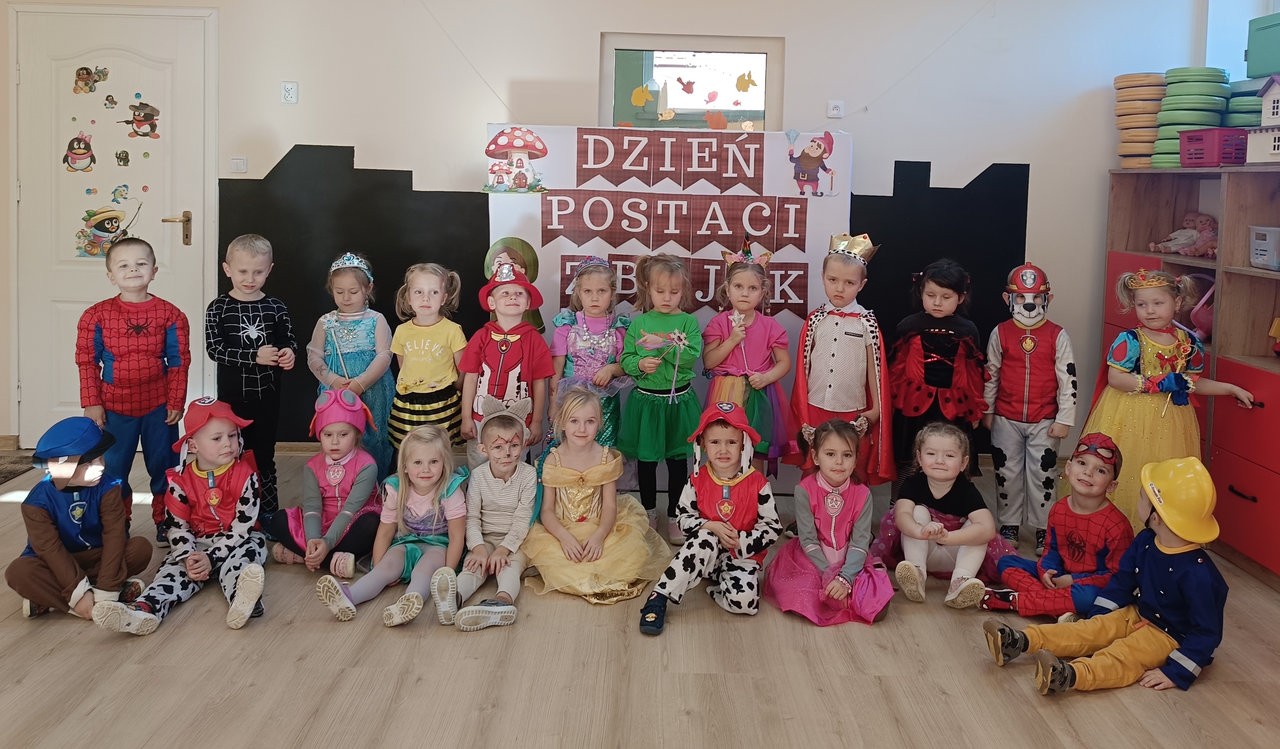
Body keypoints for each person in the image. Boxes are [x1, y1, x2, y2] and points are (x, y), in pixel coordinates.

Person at [982, 457, 1228, 695]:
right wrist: (1099, 617)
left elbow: (1207, 633)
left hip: (1168, 636)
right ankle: (1021, 640)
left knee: (1125, 654)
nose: (1138, 500)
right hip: (1138, 612)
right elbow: (1122, 581)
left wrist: (1176, 672)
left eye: (1142, 497)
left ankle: (1071, 675)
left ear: (1156, 516)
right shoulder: (1146, 540)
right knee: (1086, 630)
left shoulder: (1200, 575)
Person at [1079, 268, 1252, 527]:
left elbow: (1191, 382)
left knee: (1163, 475)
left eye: (1158, 303)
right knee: (1128, 470)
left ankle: (1157, 532)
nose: (1149, 310)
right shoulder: (1131, 340)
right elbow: (1116, 379)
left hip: (1171, 422)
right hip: (1128, 416)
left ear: (1177, 302)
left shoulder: (1188, 343)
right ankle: (1116, 531)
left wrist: (1229, 389)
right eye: (1142, 304)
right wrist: (1155, 383)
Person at [93, 397, 267, 635]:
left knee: (244, 560)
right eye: (217, 438)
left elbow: (242, 528)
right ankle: (144, 610)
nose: (228, 443)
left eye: (233, 435)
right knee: (171, 572)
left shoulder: (246, 475)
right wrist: (188, 557)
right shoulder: (180, 481)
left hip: (238, 540)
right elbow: (177, 526)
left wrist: (212, 557)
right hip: (198, 542)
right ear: (193, 446)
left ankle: (244, 600)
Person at [75, 237, 190, 541]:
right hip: (114, 408)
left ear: (154, 270)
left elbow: (179, 361)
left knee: (165, 465)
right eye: (123, 265)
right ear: (111, 275)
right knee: (113, 469)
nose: (133, 270)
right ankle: (117, 522)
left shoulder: (171, 314)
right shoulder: (95, 315)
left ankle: (167, 521)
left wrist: (176, 400)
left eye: (141, 264)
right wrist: (92, 402)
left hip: (159, 407)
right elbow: (87, 361)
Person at [637, 401, 782, 636]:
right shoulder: (697, 479)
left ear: (743, 443)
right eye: (715, 442)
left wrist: (741, 540)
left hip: (741, 555)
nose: (723, 450)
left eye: (731, 442)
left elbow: (773, 527)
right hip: (705, 551)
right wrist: (709, 525)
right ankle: (659, 596)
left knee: (746, 605)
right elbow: (683, 517)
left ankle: (718, 587)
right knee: (704, 538)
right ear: (703, 443)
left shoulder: (757, 483)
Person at [522, 386, 670, 604]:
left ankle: (598, 571)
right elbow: (547, 511)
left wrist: (599, 536)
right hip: (562, 527)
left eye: (590, 421)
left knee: (632, 558)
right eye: (574, 421)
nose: (582, 429)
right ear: (562, 422)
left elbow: (610, 506)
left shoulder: (605, 457)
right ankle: (583, 573)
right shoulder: (553, 460)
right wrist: (565, 538)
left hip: (601, 524)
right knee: (559, 564)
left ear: (599, 423)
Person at [314, 424, 468, 627]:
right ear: (405, 466)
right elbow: (386, 531)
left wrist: (446, 575)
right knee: (386, 567)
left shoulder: (450, 490)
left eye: (433, 462)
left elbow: (457, 536)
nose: (425, 469)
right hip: (405, 542)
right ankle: (349, 596)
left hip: (439, 545)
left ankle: (409, 601)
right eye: (418, 462)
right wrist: (378, 565)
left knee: (424, 569)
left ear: (444, 463)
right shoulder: (397, 488)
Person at [6, 417, 150, 619]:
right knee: (18, 572)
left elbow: (114, 535)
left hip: (97, 555)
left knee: (140, 549)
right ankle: (90, 604)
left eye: (100, 458)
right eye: (89, 463)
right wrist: (78, 594)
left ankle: (52, 597)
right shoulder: (36, 503)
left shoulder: (109, 487)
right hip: (56, 561)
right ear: (64, 468)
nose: (100, 466)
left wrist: (106, 589)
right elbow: (50, 549)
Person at [981, 433, 1134, 620]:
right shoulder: (1059, 508)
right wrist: (1046, 571)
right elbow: (1051, 550)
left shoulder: (1117, 525)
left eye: (1101, 470)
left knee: (1088, 598)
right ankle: (1059, 608)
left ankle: (1015, 601)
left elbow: (1117, 576)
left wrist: (1073, 580)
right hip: (1061, 576)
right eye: (1082, 463)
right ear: (1068, 468)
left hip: (1090, 586)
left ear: (1111, 486)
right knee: (1007, 562)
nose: (1088, 472)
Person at [982, 263, 1077, 554]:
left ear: (1048, 299)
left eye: (1036, 297)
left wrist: (1064, 418)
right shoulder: (1000, 333)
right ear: (1007, 299)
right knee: (1006, 472)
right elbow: (991, 374)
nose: (1029, 304)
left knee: (1043, 474)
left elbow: (1068, 378)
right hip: (1006, 418)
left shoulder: (1058, 335)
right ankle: (1009, 524)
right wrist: (988, 410)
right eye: (1021, 297)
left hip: (1044, 419)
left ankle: (1043, 527)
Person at [204, 233, 297, 525]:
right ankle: (232, 511)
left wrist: (288, 353)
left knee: (265, 454)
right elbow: (215, 349)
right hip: (231, 398)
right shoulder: (218, 308)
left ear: (269, 270)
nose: (250, 278)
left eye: (258, 272)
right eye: (242, 271)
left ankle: (267, 513)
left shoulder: (276, 307)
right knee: (231, 452)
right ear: (227, 269)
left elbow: (288, 340)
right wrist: (254, 356)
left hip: (267, 395)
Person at [869, 422, 1011, 609]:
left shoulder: (967, 491)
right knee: (916, 512)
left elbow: (988, 529)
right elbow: (901, 515)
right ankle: (917, 573)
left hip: (955, 554)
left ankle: (960, 581)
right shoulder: (913, 484)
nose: (939, 461)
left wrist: (948, 537)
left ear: (963, 463)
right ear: (919, 458)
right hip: (925, 550)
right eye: (931, 454)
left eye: (949, 456)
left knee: (977, 529)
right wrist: (920, 531)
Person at [764, 419, 892, 625]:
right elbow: (808, 540)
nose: (839, 462)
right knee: (799, 598)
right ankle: (838, 598)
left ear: (856, 458)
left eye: (847, 455)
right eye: (830, 454)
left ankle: (846, 594)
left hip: (850, 559)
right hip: (812, 560)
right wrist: (828, 574)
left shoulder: (862, 494)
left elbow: (860, 542)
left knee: (878, 608)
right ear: (816, 456)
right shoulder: (804, 490)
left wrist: (845, 577)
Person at [790, 233, 893, 484]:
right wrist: (802, 409)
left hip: (852, 409)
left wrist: (876, 409)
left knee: (850, 465)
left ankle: (853, 508)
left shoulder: (867, 323)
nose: (839, 288)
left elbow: (875, 370)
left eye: (849, 282)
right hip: (815, 405)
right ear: (823, 278)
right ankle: (812, 507)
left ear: (862, 285)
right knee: (814, 461)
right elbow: (804, 368)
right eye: (832, 280)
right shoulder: (815, 319)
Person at [617, 253, 704, 543]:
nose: (667, 297)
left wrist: (664, 342)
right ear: (648, 288)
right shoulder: (639, 322)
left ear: (683, 291)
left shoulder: (688, 322)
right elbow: (626, 358)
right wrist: (640, 364)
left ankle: (676, 514)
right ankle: (649, 512)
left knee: (678, 461)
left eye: (674, 292)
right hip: (647, 403)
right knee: (647, 462)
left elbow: (691, 356)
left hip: (678, 402)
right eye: (660, 291)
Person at [432, 397, 538, 632]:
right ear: (483, 449)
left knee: (509, 567)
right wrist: (479, 548)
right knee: (473, 566)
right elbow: (472, 517)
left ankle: (501, 602)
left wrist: (504, 549)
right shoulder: (479, 476)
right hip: (486, 537)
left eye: (514, 446)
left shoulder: (528, 475)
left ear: (523, 445)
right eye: (498, 447)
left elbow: (523, 519)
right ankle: (454, 598)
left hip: (517, 541)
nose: (507, 453)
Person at [888, 258, 986, 495]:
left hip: (953, 407)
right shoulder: (908, 326)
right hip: (912, 405)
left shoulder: (968, 330)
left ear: (960, 297)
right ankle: (899, 504)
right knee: (908, 458)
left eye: (946, 297)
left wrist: (976, 410)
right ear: (921, 292)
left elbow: (974, 374)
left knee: (950, 456)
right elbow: (896, 369)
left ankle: (947, 506)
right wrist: (891, 403)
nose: (937, 302)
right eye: (930, 295)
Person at [268, 389, 382, 579]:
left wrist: (327, 542)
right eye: (328, 435)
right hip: (321, 524)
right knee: (278, 520)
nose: (335, 442)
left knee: (371, 525)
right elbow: (312, 507)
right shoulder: (312, 466)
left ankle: (304, 555)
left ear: (356, 434)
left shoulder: (367, 465)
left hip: (351, 522)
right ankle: (330, 560)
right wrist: (313, 539)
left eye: (343, 434)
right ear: (319, 435)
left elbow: (350, 510)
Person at [702, 243, 796, 470]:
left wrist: (766, 377)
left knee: (755, 447)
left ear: (762, 292)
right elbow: (709, 361)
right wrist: (732, 340)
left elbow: (784, 362)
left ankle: (755, 489)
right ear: (727, 289)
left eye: (752, 288)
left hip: (759, 392)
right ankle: (723, 488)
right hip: (726, 392)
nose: (745, 293)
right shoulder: (719, 323)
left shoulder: (770, 326)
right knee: (725, 444)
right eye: (738, 286)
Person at [306, 252, 395, 479]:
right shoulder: (325, 322)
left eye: (353, 292)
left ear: (368, 288)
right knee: (340, 433)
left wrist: (360, 383)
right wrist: (333, 380)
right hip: (336, 390)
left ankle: (375, 484)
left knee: (373, 434)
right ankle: (340, 482)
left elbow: (384, 355)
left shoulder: (376, 319)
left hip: (372, 389)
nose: (346, 298)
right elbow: (313, 356)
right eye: (339, 292)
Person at [458, 262, 554, 467]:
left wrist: (536, 421)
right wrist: (466, 417)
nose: (513, 297)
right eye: (505, 293)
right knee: (479, 466)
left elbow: (539, 383)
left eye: (519, 293)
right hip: (480, 419)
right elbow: (471, 378)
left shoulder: (535, 340)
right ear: (491, 302)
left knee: (514, 467)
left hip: (518, 420)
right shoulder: (481, 336)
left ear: (528, 303)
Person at [548, 256, 630, 447]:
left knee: (604, 452)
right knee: (570, 449)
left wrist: (611, 369)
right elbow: (555, 371)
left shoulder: (618, 328)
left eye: (602, 291)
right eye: (588, 291)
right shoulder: (567, 326)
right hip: (571, 403)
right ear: (578, 292)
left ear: (612, 292)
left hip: (605, 405)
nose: (595, 297)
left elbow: (626, 365)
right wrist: (553, 405)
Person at [387, 262, 467, 451]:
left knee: (440, 448)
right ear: (408, 297)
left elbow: (463, 368)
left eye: (434, 292)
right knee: (409, 448)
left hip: (443, 402)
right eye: (418, 292)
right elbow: (403, 366)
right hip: (409, 403)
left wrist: (452, 391)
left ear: (444, 298)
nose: (426, 298)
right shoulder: (402, 331)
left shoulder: (452, 331)